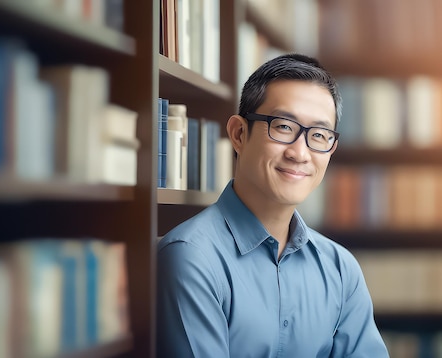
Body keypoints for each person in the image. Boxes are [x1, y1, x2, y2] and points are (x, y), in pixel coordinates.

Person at [156, 54, 388, 357]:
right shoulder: (191, 257)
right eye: (283, 127)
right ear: (239, 134)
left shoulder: (341, 269)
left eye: (318, 135)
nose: (300, 153)